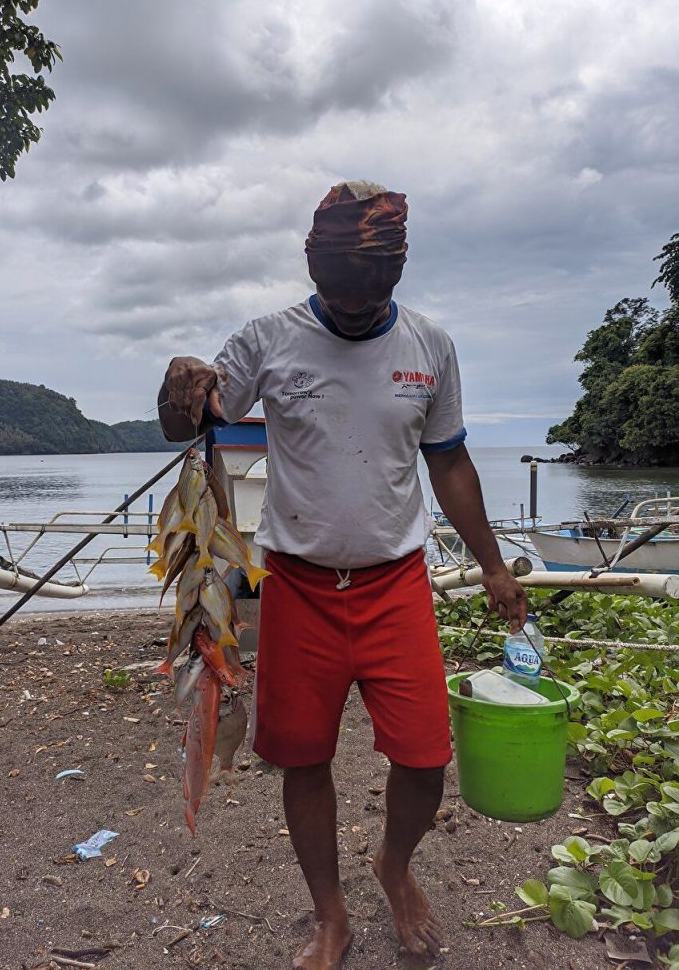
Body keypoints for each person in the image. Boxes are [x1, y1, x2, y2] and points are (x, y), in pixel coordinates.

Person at [158, 181, 527, 970]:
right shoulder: (267, 340)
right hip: (297, 585)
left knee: (425, 759)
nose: (355, 308)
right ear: (312, 265)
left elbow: (450, 460)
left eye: (372, 290)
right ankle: (329, 915)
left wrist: (492, 565)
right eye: (339, 289)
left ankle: (393, 865)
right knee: (303, 757)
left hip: (395, 584)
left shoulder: (429, 346)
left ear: (396, 271)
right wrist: (177, 386)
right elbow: (186, 421)